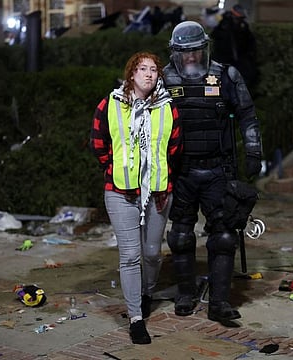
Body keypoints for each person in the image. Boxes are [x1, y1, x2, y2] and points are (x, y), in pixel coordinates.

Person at [163, 21, 262, 325]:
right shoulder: (163, 79)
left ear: (204, 50)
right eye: (185, 52)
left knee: (223, 236)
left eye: (195, 51)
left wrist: (254, 150)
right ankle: (185, 293)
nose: (191, 57)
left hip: (219, 170)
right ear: (176, 53)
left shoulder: (226, 76)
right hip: (181, 171)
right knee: (180, 235)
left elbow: (247, 115)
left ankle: (219, 303)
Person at [90, 52, 182, 344]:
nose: (149, 74)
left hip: (157, 192)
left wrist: (160, 177)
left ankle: (146, 292)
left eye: (154, 70)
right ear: (131, 73)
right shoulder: (111, 103)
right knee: (130, 256)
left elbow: (175, 148)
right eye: (143, 69)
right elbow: (98, 142)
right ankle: (136, 318)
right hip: (121, 191)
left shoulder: (168, 108)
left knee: (152, 252)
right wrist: (115, 168)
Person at [211, 4, 258, 90]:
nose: (239, 21)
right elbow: (216, 37)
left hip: (240, 61)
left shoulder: (243, 26)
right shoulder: (224, 24)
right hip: (224, 59)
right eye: (237, 19)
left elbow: (250, 42)